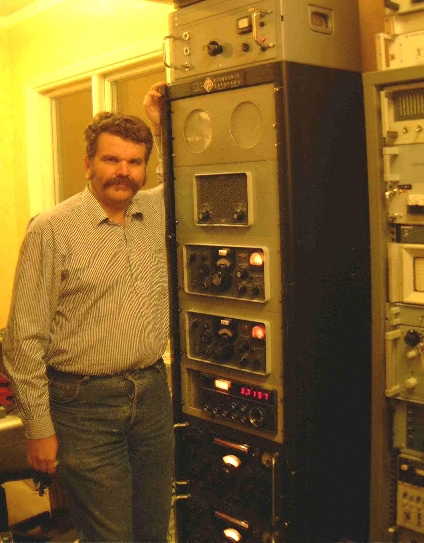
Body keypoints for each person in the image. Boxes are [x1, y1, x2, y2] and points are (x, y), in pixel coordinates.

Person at [2, 82, 174, 543]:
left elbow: (188, 175)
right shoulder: (52, 230)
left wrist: (162, 126)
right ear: (88, 164)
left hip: (151, 395)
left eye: (135, 162)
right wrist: (39, 428)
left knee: (155, 528)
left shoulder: (155, 211)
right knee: (110, 535)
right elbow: (23, 341)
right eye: (111, 159)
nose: (124, 172)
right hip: (83, 406)